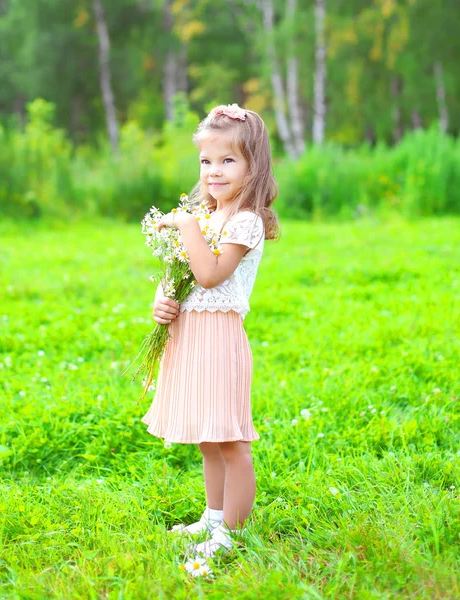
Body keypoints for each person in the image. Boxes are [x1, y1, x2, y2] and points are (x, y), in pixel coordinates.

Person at [141, 103, 280, 558]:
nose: (213, 171)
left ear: (253, 166)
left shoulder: (245, 221)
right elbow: (183, 278)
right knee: (208, 436)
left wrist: (183, 224)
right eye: (206, 161)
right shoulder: (204, 216)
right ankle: (214, 517)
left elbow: (210, 275)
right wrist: (163, 300)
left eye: (227, 160)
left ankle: (233, 534)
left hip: (220, 341)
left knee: (231, 440)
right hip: (190, 336)